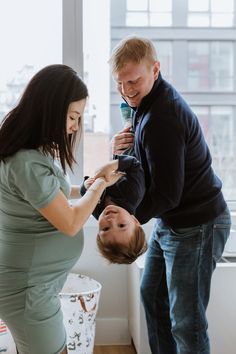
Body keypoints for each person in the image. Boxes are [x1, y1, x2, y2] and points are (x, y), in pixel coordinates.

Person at [109, 36, 231, 354]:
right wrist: (117, 152)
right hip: (173, 220)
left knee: (186, 323)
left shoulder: (163, 116)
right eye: (120, 83)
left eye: (133, 80)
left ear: (156, 69)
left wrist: (128, 220)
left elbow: (166, 193)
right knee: (153, 298)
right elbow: (148, 168)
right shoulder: (143, 105)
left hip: (198, 224)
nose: (126, 90)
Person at [0, 64, 123, 354]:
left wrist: (89, 184)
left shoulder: (28, 153)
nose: (75, 126)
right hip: (28, 291)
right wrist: (99, 185)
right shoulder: (26, 162)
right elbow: (69, 222)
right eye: (72, 117)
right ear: (50, 109)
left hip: (33, 286)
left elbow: (49, 194)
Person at [80, 154, 147, 264]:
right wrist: (110, 166)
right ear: (135, 221)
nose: (111, 221)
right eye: (121, 225)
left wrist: (86, 186)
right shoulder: (132, 195)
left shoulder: (96, 211)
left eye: (106, 228)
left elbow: (85, 194)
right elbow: (134, 165)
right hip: (127, 153)